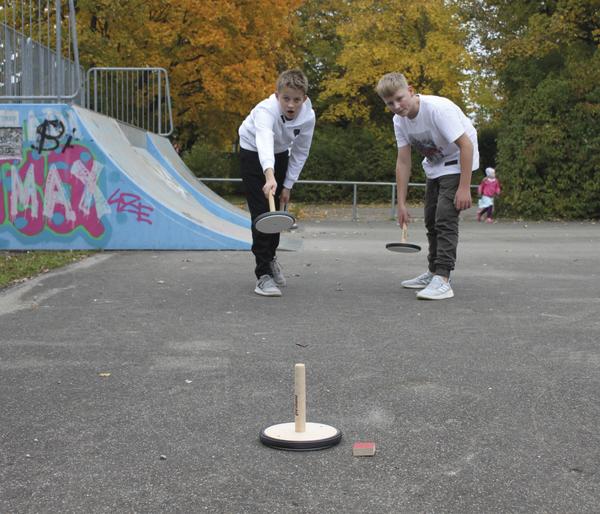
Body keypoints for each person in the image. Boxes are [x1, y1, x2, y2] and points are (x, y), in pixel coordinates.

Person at [376, 72, 479, 300]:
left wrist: (464, 188)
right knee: (431, 218)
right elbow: (403, 161)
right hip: (434, 164)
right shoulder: (398, 120)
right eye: (390, 103)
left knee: (445, 217)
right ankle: (433, 271)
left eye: (400, 98)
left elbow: (466, 146)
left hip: (458, 161)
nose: (397, 106)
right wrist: (401, 204)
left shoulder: (437, 110)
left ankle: (443, 279)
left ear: (411, 91)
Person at [238, 69, 315, 297]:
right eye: (286, 99)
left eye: (297, 100)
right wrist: (269, 176)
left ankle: (270, 259)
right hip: (252, 151)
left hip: (281, 152)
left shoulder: (308, 117)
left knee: (278, 213)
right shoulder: (265, 110)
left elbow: (301, 152)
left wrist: (287, 185)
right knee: (261, 213)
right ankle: (262, 275)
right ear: (277, 95)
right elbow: (263, 140)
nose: (291, 105)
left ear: (305, 99)